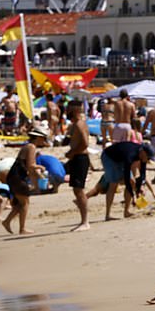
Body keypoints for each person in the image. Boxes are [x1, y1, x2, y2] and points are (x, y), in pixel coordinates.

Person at [101, 140, 154, 220]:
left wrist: (140, 187)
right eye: (148, 157)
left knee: (132, 182)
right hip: (109, 158)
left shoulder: (142, 156)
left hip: (121, 159)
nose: (148, 159)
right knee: (114, 184)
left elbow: (143, 173)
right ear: (143, 152)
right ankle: (107, 215)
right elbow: (127, 178)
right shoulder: (131, 155)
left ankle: (126, 212)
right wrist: (134, 197)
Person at [2, 130, 40, 235]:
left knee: (20, 203)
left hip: (14, 176)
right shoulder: (31, 147)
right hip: (17, 177)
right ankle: (22, 229)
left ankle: (7, 221)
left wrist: (35, 182)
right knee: (25, 202)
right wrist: (40, 167)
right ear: (38, 138)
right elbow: (31, 165)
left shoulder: (27, 146)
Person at [65, 98, 91, 231]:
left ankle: (85, 222)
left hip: (80, 157)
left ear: (74, 111)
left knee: (79, 190)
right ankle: (84, 220)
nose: (66, 112)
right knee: (77, 190)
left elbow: (85, 143)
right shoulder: (77, 124)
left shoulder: (80, 124)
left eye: (68, 109)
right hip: (78, 157)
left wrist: (73, 153)